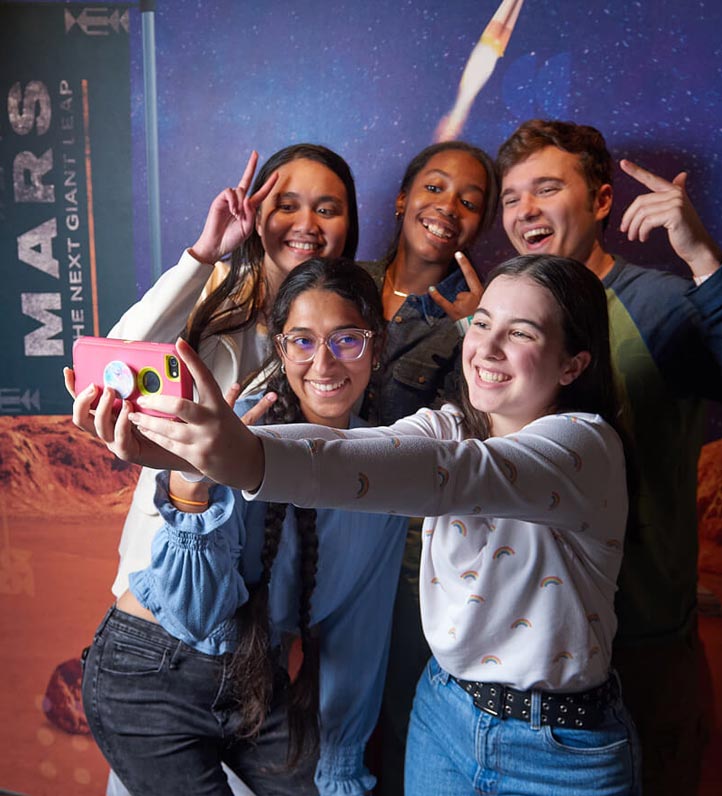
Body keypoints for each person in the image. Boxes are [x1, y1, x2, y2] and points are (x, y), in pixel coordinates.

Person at [75, 253, 641, 795]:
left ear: (574, 363)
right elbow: (362, 450)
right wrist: (207, 462)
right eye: (482, 323)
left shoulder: (584, 447)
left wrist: (241, 458)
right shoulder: (448, 426)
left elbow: (447, 475)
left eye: (521, 333)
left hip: (560, 745)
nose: (487, 347)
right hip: (445, 715)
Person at [66, 143, 359, 796]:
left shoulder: (342, 353)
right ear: (258, 220)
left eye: (327, 207)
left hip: (257, 661)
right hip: (156, 646)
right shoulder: (216, 326)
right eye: (286, 204)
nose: (307, 221)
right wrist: (207, 254)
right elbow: (115, 361)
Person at [78, 259, 407, 795]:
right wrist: (194, 483)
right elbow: (196, 615)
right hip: (152, 665)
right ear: (279, 350)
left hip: (254, 678)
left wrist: (343, 759)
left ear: (377, 342)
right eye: (301, 341)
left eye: (346, 339)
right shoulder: (237, 430)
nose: (323, 363)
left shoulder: (390, 464)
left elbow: (359, 631)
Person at [494, 119, 722, 795]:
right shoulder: (498, 314)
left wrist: (704, 260)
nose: (524, 210)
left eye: (546, 188)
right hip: (523, 655)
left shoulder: (662, 305)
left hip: (642, 649)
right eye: (510, 196)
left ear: (600, 201)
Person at [358, 140, 499, 794]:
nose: (449, 207)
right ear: (402, 198)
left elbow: (475, 443)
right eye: (436, 188)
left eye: (471, 202)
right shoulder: (344, 283)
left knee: (396, 718)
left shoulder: (478, 315)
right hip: (310, 536)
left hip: (408, 555)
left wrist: (479, 337)